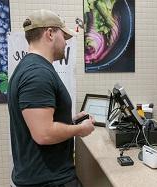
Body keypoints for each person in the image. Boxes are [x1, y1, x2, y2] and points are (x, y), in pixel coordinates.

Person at [7, 9, 94, 186]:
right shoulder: (37, 74)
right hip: (47, 180)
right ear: (50, 33)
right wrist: (80, 129)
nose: (66, 43)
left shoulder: (31, 68)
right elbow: (43, 134)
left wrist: (70, 121)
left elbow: (42, 122)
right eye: (64, 36)